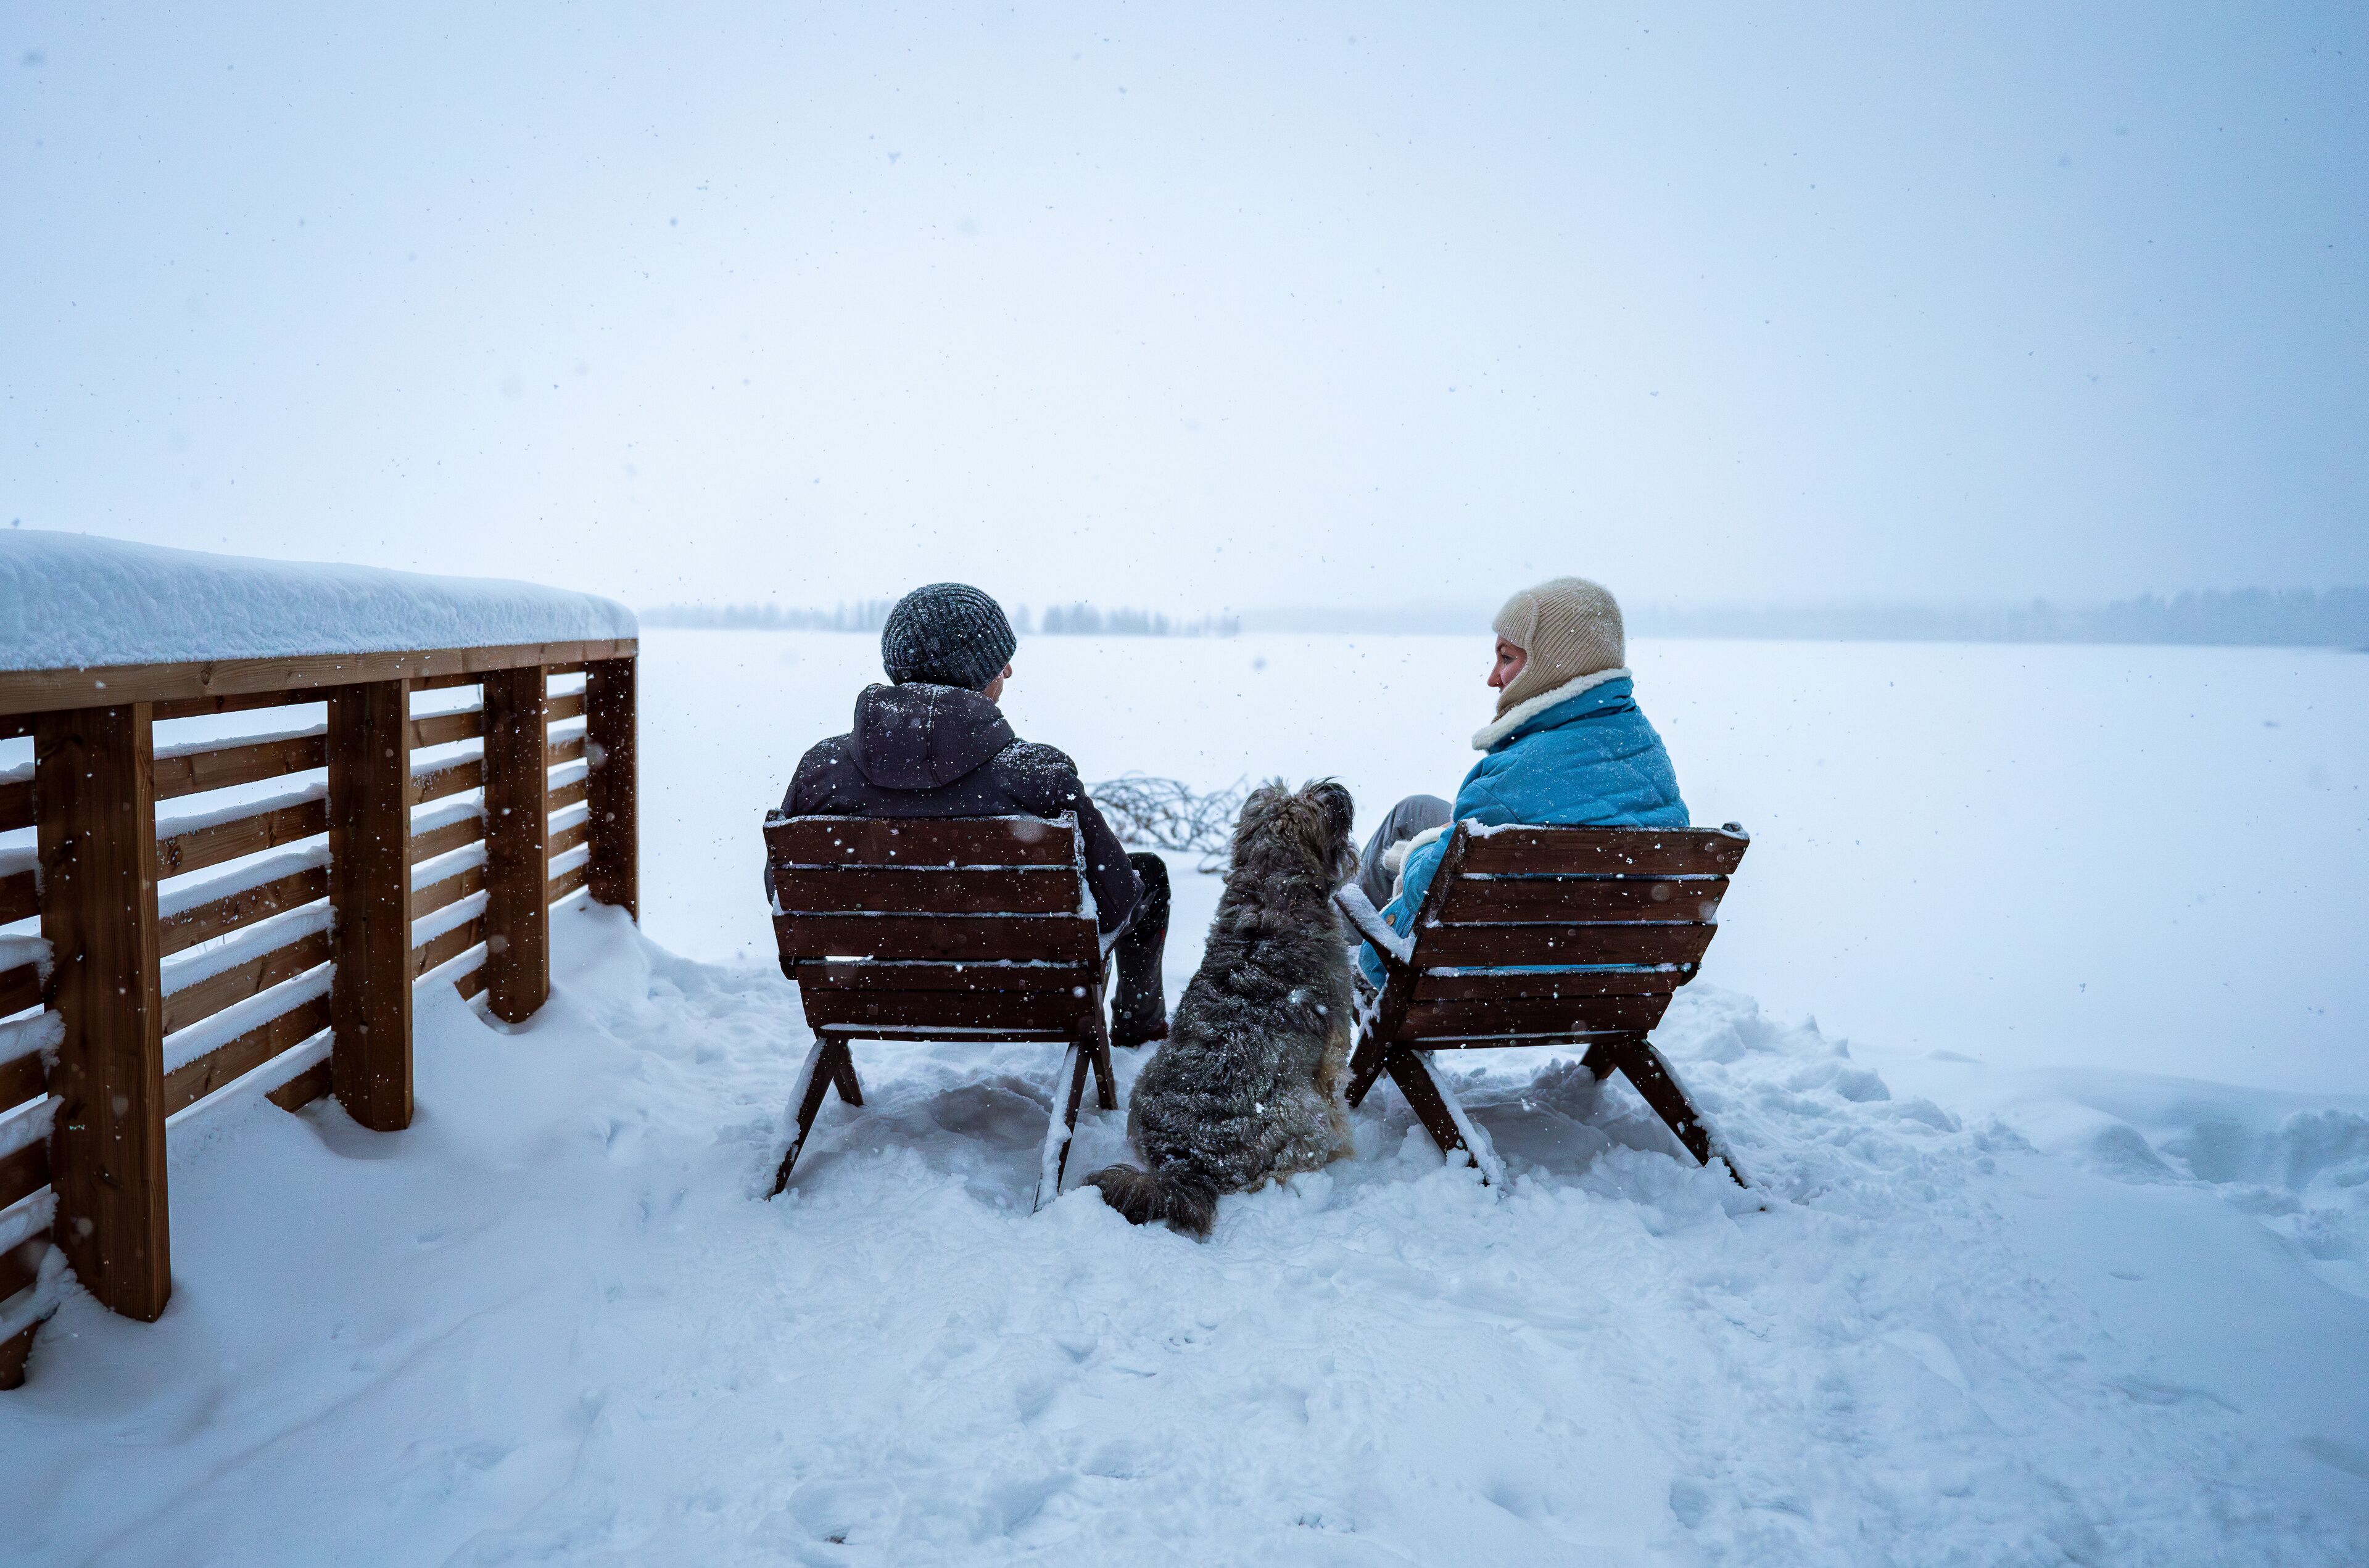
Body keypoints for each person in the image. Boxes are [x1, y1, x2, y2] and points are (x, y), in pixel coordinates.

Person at [777, 583, 1170, 1046]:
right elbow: (1118, 902)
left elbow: (784, 890)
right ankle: (1138, 1033)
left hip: (878, 996)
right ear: (977, 672)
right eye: (998, 659)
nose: (1009, 669)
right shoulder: (1037, 776)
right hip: (1021, 994)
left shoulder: (820, 772)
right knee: (1149, 874)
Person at [1353, 576, 1688, 990]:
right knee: (1418, 810)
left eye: (1507, 658)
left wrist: (1428, 848)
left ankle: (1316, 957)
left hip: (1502, 979)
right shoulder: (1646, 746)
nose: (1493, 678)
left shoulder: (1508, 781)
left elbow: (1425, 898)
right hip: (1618, 978)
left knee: (1409, 836)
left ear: (1552, 665)